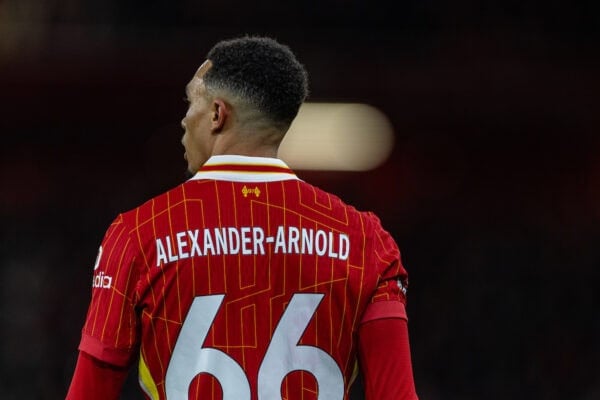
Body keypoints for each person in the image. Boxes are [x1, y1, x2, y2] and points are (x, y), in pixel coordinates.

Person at [66, 36, 419, 400]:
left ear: (218, 114)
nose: (184, 121)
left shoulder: (137, 234)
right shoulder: (366, 241)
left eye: (190, 103)